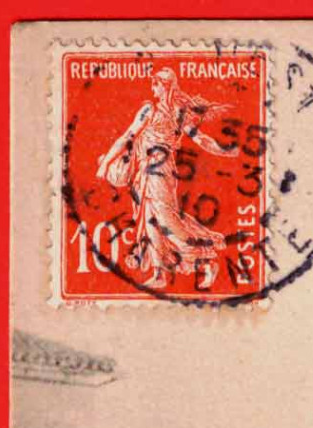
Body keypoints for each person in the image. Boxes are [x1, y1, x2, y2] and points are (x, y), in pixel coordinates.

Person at [95, 68, 242, 290]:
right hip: (142, 173)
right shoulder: (148, 109)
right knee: (149, 221)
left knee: (166, 220)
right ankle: (159, 273)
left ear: (165, 85)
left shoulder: (178, 111)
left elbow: (199, 138)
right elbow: (128, 136)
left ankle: (207, 261)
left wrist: (223, 151)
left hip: (162, 171)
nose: (152, 87)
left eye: (155, 83)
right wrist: (106, 163)